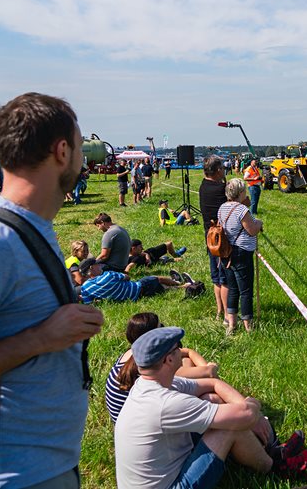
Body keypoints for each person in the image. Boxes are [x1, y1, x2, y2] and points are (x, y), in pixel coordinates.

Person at [0, 92, 104, 488]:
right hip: (5, 475)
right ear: (62, 150)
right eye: (81, 145)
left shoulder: (31, 228)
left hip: (42, 467)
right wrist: (40, 338)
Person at [114, 327, 307, 488]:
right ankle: (276, 468)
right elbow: (244, 414)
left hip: (165, 471)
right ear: (168, 359)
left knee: (213, 400)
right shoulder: (165, 403)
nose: (182, 352)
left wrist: (246, 413)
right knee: (228, 428)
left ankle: (272, 451)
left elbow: (212, 384)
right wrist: (252, 407)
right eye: (178, 349)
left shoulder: (151, 384)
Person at [105, 312, 218, 424]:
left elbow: (187, 352)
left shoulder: (135, 354)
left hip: (126, 422)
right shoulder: (157, 364)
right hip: (144, 422)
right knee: (211, 397)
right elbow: (209, 372)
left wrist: (202, 368)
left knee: (186, 361)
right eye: (162, 327)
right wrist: (209, 367)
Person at [218, 178, 263, 334]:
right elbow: (251, 230)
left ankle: (231, 324)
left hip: (226, 253)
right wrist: (259, 223)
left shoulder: (222, 207)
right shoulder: (242, 210)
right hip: (241, 252)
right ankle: (248, 326)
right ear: (240, 192)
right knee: (245, 291)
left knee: (233, 289)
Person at [199, 155, 229, 324]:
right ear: (218, 170)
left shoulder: (204, 186)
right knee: (225, 278)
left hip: (209, 236)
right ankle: (226, 315)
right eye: (223, 168)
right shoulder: (220, 190)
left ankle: (219, 310)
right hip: (221, 239)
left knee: (216, 277)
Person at [78, 258, 188, 304]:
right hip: (139, 287)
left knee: (161, 288)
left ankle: (178, 285)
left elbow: (90, 303)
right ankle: (178, 283)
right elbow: (127, 277)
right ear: (92, 268)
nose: (100, 265)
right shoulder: (108, 275)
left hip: (130, 298)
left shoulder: (85, 288)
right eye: (97, 264)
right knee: (156, 278)